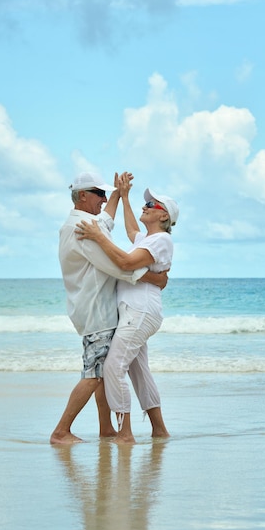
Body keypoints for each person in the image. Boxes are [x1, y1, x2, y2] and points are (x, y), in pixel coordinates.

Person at [50, 171, 167, 444]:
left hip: (94, 309)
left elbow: (105, 221)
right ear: (83, 196)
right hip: (97, 311)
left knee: (101, 374)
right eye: (99, 194)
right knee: (94, 374)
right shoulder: (83, 229)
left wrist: (118, 193)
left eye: (105, 195)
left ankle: (106, 429)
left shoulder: (84, 222)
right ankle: (61, 431)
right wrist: (155, 279)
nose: (104, 200)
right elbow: (118, 267)